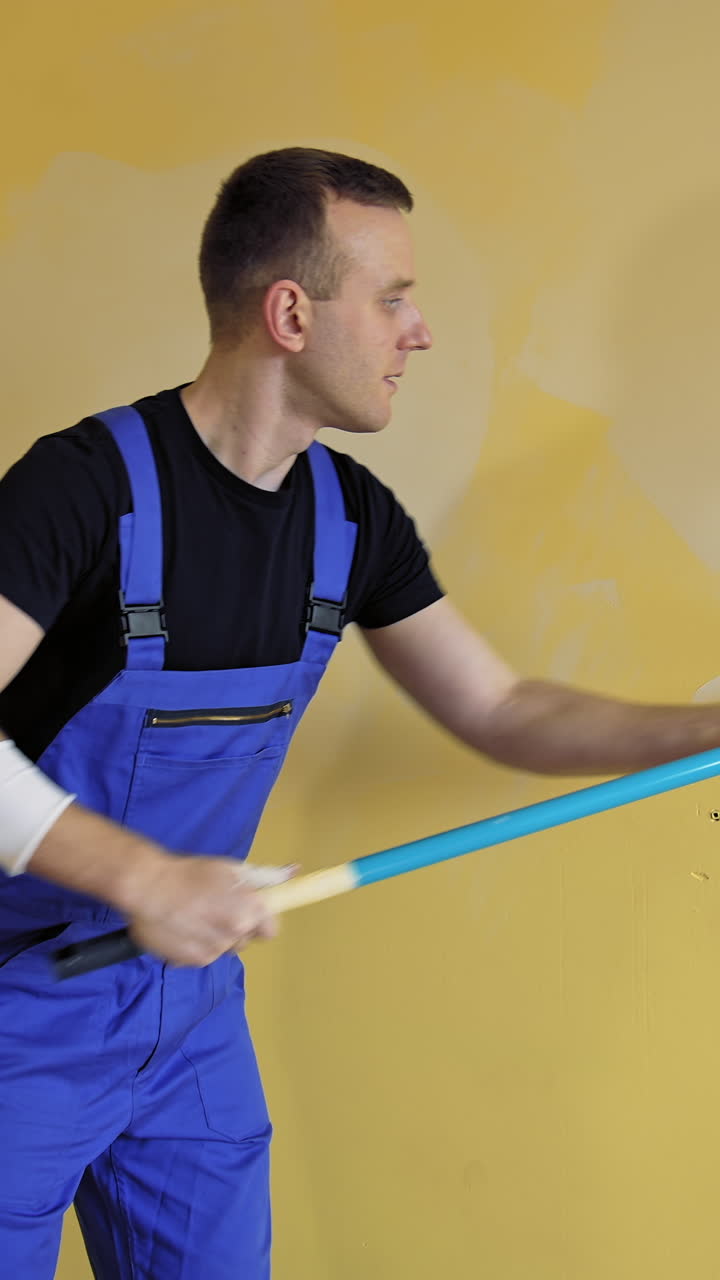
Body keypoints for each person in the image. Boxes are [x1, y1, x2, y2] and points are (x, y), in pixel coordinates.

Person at [0, 147, 717, 1279]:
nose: (419, 330)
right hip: (17, 1009)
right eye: (393, 298)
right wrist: (140, 875)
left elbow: (503, 704)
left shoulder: (349, 518)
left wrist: (706, 734)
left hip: (188, 1012)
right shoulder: (83, 487)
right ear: (291, 311)